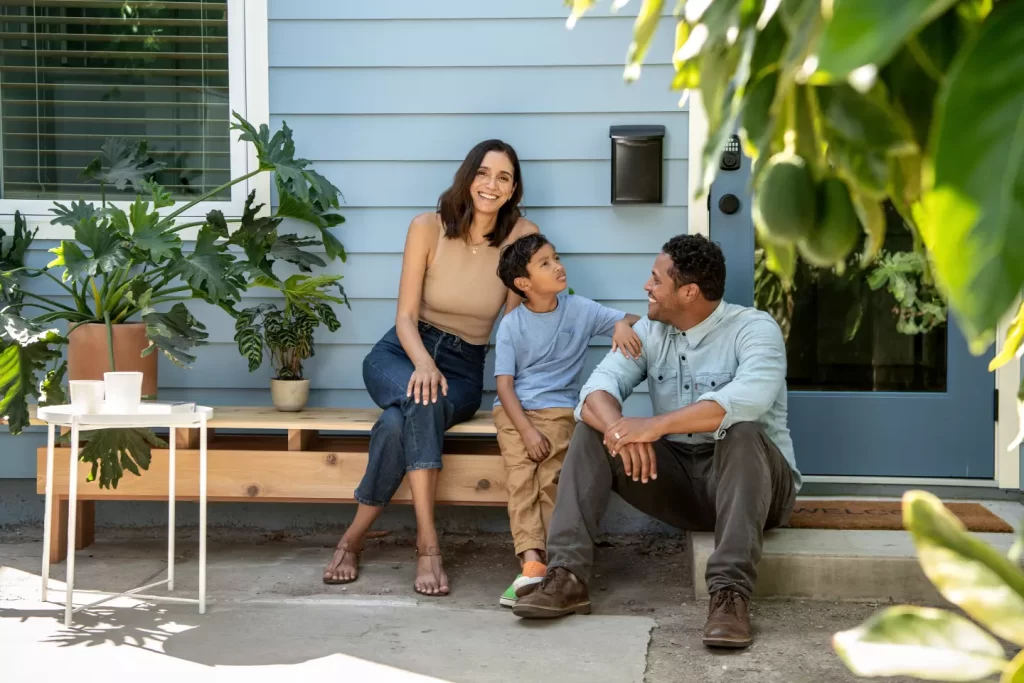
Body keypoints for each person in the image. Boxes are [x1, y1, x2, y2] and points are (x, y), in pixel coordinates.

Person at [512, 234, 801, 649]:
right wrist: (620, 431)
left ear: (688, 291)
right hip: (681, 482)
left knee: (742, 429)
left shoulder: (754, 328)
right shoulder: (649, 331)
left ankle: (729, 595)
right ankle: (568, 578)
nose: (646, 287)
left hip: (754, 487)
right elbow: (595, 391)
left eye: (655, 280)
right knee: (593, 428)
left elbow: (748, 399)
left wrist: (654, 426)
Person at [322, 140, 538, 596]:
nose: (491, 185)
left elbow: (513, 325)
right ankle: (428, 544)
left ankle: (353, 537)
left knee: (398, 421)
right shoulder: (427, 227)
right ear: (467, 177)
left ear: (513, 188)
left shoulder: (522, 237)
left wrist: (515, 387)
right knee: (421, 396)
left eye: (503, 177)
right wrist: (421, 362)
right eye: (483, 173)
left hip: (463, 367)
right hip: (400, 353)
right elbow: (403, 316)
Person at [491, 233, 641, 607]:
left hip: (559, 410)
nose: (558, 266)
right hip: (514, 411)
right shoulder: (512, 324)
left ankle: (553, 564)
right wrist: (525, 430)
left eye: (555, 258)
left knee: (550, 478)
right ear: (523, 284)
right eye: (545, 263)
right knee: (520, 477)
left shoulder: (580, 309)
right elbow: (504, 386)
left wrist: (622, 325)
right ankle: (531, 562)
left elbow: (634, 320)